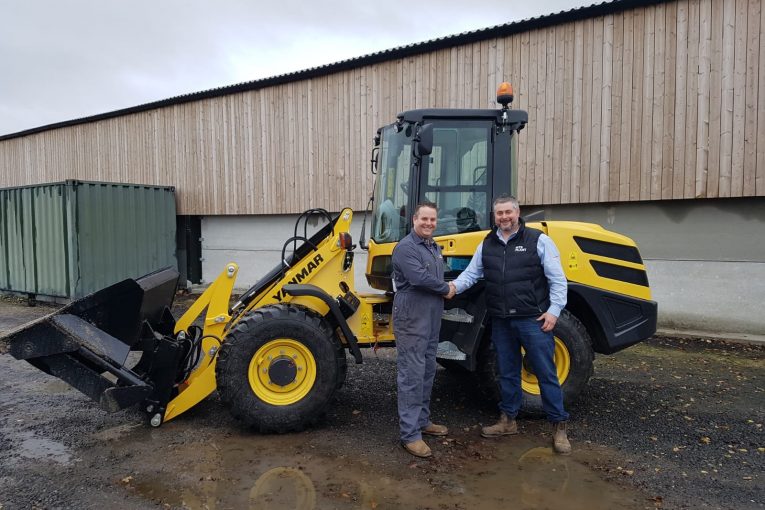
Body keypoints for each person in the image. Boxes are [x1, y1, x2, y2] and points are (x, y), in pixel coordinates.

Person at [448, 194, 572, 454]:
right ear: (494, 217)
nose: (504, 217)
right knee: (506, 371)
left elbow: (558, 279)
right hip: (501, 320)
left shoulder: (539, 241)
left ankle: (559, 426)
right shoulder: (488, 243)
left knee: (545, 372)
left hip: (532, 319)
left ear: (517, 213)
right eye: (499, 213)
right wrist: (452, 287)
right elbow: (472, 273)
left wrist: (553, 311)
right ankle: (508, 420)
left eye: (508, 212)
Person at [391, 201, 455, 458]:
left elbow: (436, 277)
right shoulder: (406, 248)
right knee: (411, 374)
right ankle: (410, 434)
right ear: (414, 220)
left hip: (431, 316)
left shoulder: (433, 246)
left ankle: (423, 421)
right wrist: (447, 289)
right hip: (412, 317)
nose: (428, 223)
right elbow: (419, 278)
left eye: (432, 220)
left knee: (427, 369)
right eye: (424, 219)